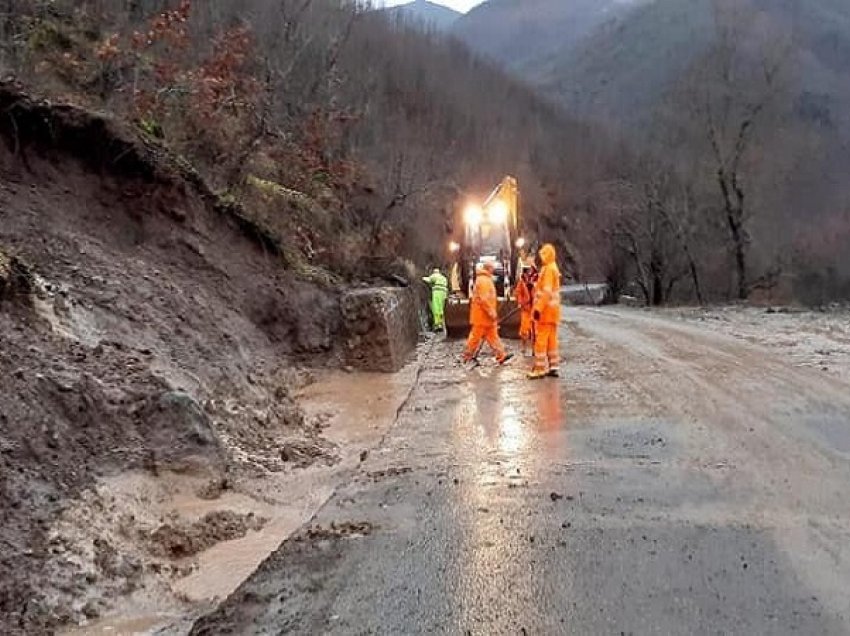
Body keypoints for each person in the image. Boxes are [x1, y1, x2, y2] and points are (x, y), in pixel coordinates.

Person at [462, 262, 513, 365]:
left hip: (486, 317)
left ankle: (501, 355)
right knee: (475, 337)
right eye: (492, 268)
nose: (493, 270)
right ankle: (467, 356)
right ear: (489, 269)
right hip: (482, 316)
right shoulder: (484, 281)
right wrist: (491, 312)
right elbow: (484, 299)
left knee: (493, 337)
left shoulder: (485, 280)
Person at [528, 243, 561, 379]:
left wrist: (538, 309)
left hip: (545, 312)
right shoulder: (553, 268)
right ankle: (553, 366)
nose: (541, 257)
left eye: (543, 255)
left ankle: (540, 368)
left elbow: (546, 292)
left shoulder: (548, 270)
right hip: (553, 312)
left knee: (541, 339)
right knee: (552, 340)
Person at [516, 259, 538, 357]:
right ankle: (524, 348)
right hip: (526, 309)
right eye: (527, 269)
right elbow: (518, 293)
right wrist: (521, 302)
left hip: (536, 309)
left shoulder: (538, 280)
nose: (529, 271)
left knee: (536, 331)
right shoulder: (522, 281)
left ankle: (534, 349)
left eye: (530, 269)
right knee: (524, 330)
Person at [422, 267, 448, 331]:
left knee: (436, 308)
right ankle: (441, 323)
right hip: (444, 293)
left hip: (437, 292)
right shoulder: (443, 278)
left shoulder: (435, 275)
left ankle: (437, 324)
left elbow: (429, 280)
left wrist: (422, 278)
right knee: (441, 308)